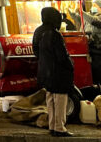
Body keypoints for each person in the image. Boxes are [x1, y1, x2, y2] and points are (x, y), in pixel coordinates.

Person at [32, 7, 74, 138]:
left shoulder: (38, 31)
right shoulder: (55, 34)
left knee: (50, 99)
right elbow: (62, 56)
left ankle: (52, 125)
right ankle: (60, 128)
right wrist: (70, 65)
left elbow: (36, 51)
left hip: (44, 71)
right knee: (60, 100)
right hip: (58, 73)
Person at [70, 0, 101, 89]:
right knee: (94, 75)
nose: (92, 7)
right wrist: (71, 12)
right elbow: (79, 18)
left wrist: (82, 12)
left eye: (95, 5)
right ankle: (99, 96)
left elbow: (95, 21)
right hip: (90, 49)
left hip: (99, 50)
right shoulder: (90, 16)